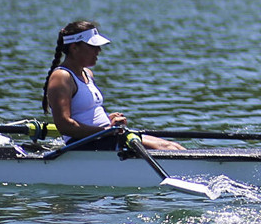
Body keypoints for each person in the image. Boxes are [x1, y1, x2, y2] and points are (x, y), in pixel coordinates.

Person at [41, 20, 183, 151]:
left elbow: (85, 114)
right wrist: (106, 130)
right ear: (74, 47)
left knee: (172, 146)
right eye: (93, 46)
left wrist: (108, 121)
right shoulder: (62, 77)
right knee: (165, 148)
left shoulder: (87, 73)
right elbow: (64, 125)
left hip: (103, 137)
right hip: (84, 144)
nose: (98, 51)